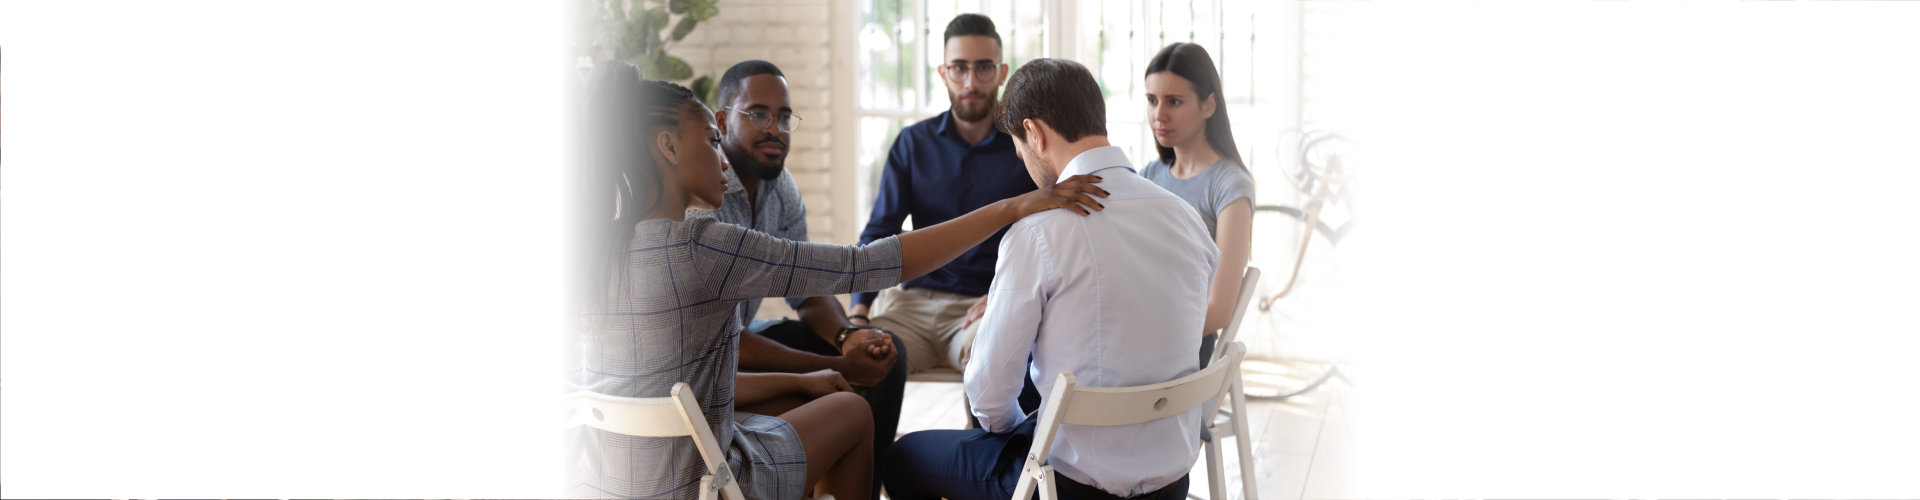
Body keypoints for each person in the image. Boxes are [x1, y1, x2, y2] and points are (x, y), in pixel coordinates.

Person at [569, 61, 1109, 500]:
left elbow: (677, 389)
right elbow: (864, 264)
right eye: (711, 141)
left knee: (812, 406)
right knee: (851, 411)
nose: (723, 161)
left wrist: (811, 375)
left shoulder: (589, 249)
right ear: (667, 148)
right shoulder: (704, 244)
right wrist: (1015, 206)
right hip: (696, 483)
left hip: (598, 482)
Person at [883, 58, 1218, 500]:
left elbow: (987, 396)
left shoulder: (1040, 230)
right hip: (1171, 482)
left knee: (902, 458)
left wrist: (1018, 430)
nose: (1022, 159)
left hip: (1067, 486)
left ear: (1035, 133)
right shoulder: (1184, 217)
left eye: (1019, 147)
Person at [688, 59, 909, 500]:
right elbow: (729, 342)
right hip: (711, 362)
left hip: (741, 342)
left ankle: (859, 486)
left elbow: (806, 292)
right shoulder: (704, 198)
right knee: (845, 384)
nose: (775, 128)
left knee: (887, 353)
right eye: (758, 113)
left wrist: (848, 337)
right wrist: (840, 367)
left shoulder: (779, 186)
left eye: (784, 116)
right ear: (721, 119)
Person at [852, 13, 1038, 380]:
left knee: (998, 364)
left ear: (1002, 73)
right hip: (911, 307)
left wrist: (1013, 297)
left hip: (986, 307)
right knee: (865, 361)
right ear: (943, 73)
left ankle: (983, 441)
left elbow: (1052, 234)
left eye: (983, 68)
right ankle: (873, 442)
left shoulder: (1028, 148)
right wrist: (858, 311)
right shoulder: (912, 143)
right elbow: (879, 232)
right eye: (959, 68)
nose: (971, 81)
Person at [1141, 42, 1257, 366]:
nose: (1159, 115)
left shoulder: (1229, 184)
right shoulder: (1148, 175)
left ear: (1209, 105)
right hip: (1138, 329)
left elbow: (1219, 309)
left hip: (1186, 345)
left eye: (1174, 102)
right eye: (1152, 100)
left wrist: (1144, 333)